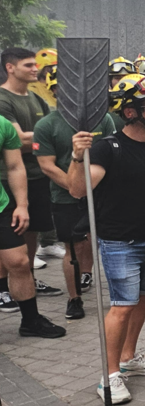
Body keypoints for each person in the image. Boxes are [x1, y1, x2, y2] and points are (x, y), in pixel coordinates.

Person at [68, 74, 145, 404]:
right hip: (119, 242)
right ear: (130, 111)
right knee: (122, 306)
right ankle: (110, 375)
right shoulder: (107, 148)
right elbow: (78, 190)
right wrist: (76, 157)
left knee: (141, 300)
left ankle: (128, 359)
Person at [33, 67, 119, 320]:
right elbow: (47, 166)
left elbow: (112, 153)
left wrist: (94, 187)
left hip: (101, 195)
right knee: (73, 248)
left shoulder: (103, 119)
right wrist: (76, 187)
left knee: (106, 244)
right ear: (55, 90)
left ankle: (114, 292)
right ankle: (74, 299)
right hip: (65, 198)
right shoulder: (46, 125)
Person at [0, 48, 63, 309]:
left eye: (35, 64)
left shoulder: (36, 98)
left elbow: (49, 132)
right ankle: (3, 289)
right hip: (8, 180)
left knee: (31, 232)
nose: (35, 69)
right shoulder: (3, 100)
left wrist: (38, 140)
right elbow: (16, 139)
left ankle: (28, 281)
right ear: (10, 67)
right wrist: (43, 139)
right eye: (28, 65)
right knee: (7, 237)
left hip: (37, 176)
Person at [0, 112, 60, 337]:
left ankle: (30, 321)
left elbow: (15, 167)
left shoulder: (3, 125)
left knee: (19, 261)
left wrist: (22, 205)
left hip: (1, 207)